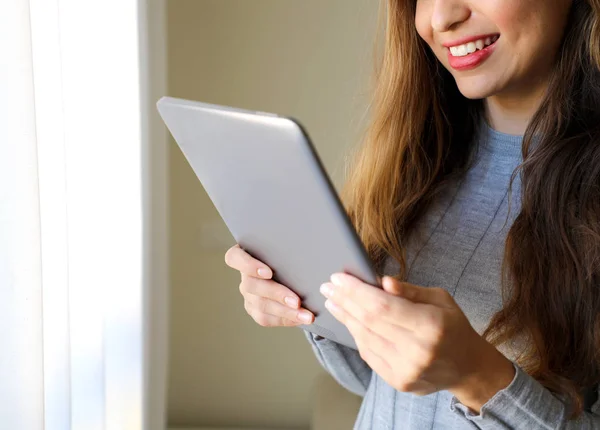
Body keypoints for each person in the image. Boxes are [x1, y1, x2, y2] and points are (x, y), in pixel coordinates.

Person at [224, 0, 600, 427]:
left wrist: (478, 377)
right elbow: (373, 382)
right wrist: (309, 296)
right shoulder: (414, 168)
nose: (440, 19)